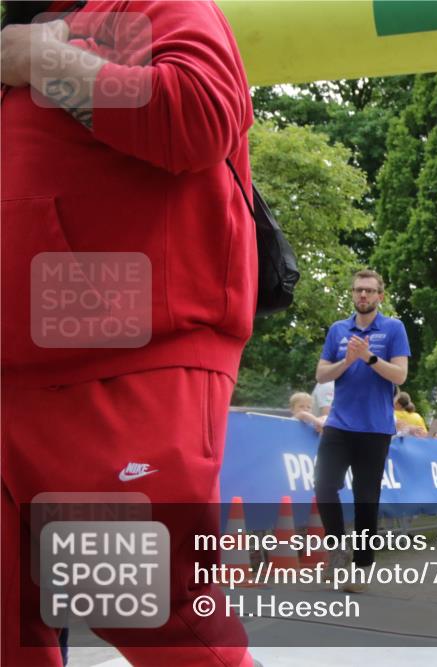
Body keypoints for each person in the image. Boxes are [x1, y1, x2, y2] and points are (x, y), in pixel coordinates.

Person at [1, 2, 256, 664]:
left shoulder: (156, 4)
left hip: (126, 363)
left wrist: (42, 61)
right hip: (20, 375)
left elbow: (197, 115)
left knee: (157, 618)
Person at [314, 269, 410, 592]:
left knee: (366, 498)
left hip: (375, 427)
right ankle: (338, 548)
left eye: (369, 290)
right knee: (324, 485)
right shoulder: (338, 330)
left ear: (380, 295)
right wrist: (347, 361)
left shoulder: (394, 328)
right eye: (358, 290)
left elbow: (400, 376)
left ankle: (362, 567)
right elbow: (321, 375)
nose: (363, 295)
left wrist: (368, 357)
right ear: (353, 294)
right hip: (339, 423)